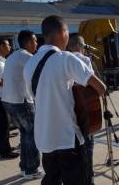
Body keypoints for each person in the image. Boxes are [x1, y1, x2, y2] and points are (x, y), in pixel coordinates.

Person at [23, 15, 107, 185]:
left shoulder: (29, 64)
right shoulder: (66, 58)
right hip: (68, 138)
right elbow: (101, 88)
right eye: (68, 31)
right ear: (62, 33)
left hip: (45, 139)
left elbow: (36, 96)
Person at [1, 30, 42, 179]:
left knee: (26, 134)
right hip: (20, 101)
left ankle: (25, 168)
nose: (37, 44)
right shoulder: (27, 56)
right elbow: (41, 73)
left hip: (9, 101)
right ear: (28, 42)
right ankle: (32, 169)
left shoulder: (14, 56)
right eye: (35, 41)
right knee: (32, 134)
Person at [67, 33, 97, 185]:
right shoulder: (83, 59)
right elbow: (91, 84)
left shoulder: (63, 59)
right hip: (85, 108)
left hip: (69, 110)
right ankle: (89, 179)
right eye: (84, 46)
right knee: (88, 145)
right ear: (79, 47)